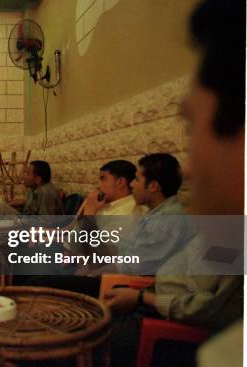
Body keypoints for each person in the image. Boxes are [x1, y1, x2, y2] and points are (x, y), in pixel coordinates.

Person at [103, 0, 244, 364]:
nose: (191, 170)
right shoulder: (222, 233)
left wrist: (138, 297)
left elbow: (206, 309)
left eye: (193, 127)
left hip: (159, 319)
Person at [80, 153, 197, 276]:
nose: (132, 184)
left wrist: (93, 273)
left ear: (153, 186)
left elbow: (130, 267)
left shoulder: (166, 220)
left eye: (137, 179)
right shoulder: (154, 212)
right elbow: (123, 252)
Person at [64, 159, 147, 256]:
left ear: (120, 182)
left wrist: (89, 213)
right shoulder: (107, 202)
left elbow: (98, 255)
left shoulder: (126, 214)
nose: (99, 186)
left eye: (103, 179)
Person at [0, 160, 64, 220]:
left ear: (38, 179)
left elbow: (45, 222)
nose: (23, 176)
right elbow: (29, 207)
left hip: (28, 226)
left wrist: (19, 222)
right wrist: (13, 204)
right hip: (24, 219)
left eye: (27, 173)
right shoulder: (34, 189)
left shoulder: (46, 192)